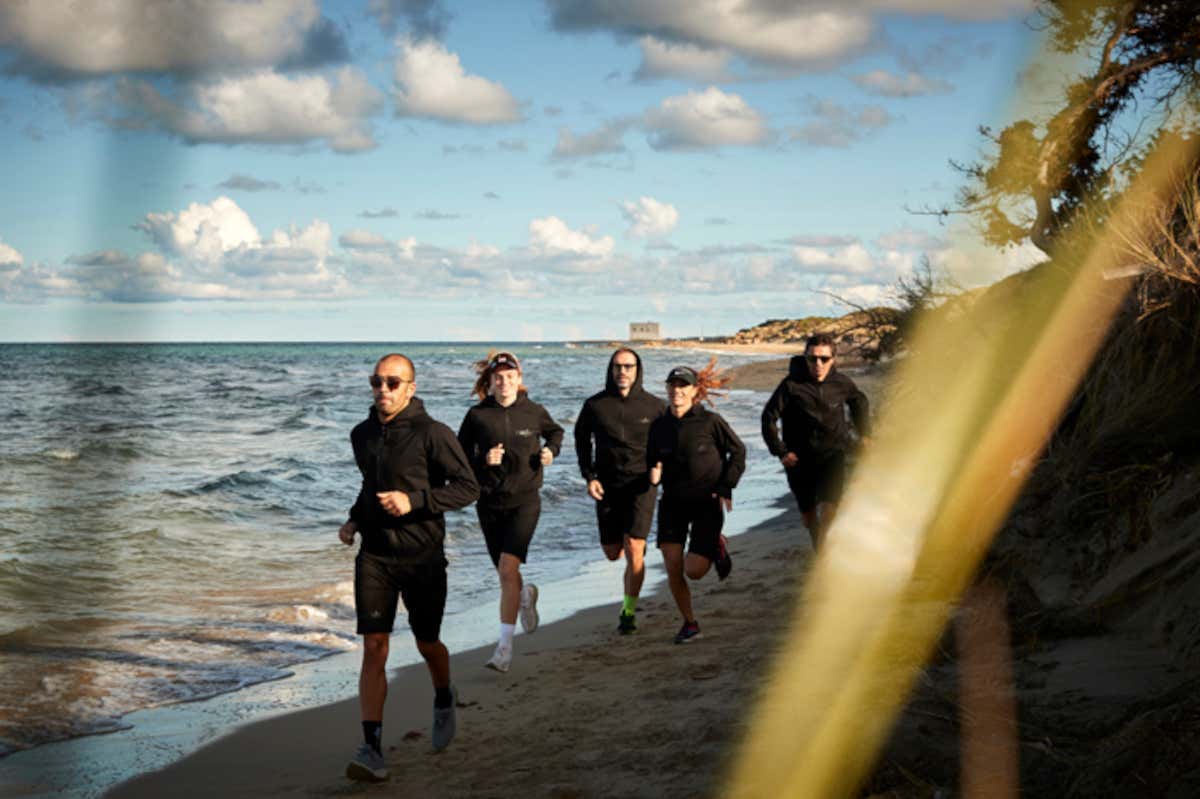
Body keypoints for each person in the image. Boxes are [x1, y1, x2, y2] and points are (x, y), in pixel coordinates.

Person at [338, 354, 480, 783]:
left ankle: (442, 695)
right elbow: (369, 484)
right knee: (374, 646)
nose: (383, 389)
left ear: (410, 388)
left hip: (422, 557)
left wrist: (413, 502)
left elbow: (468, 487)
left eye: (392, 382)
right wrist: (354, 519)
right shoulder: (361, 434)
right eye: (376, 381)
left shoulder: (433, 433)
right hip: (375, 557)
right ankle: (372, 748)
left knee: (427, 643)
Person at [457, 352, 564, 673]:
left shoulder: (534, 412)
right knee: (507, 575)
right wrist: (482, 460)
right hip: (489, 503)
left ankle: (504, 649)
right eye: (498, 378)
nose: (504, 383)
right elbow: (459, 458)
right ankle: (526, 595)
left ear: (519, 380)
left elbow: (556, 432)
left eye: (510, 377)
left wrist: (550, 452)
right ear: (489, 383)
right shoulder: (477, 416)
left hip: (525, 501)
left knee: (506, 568)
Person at [648, 361, 746, 644]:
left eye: (683, 386)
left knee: (694, 571)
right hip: (672, 504)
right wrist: (653, 470)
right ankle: (690, 623)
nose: (677, 391)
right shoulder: (659, 426)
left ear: (694, 390)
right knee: (672, 565)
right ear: (667, 389)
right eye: (673, 385)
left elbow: (738, 451)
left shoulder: (710, 422)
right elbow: (652, 458)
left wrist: (727, 485)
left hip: (707, 502)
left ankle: (717, 544)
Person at [573, 348, 666, 634]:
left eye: (628, 366)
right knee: (613, 552)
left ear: (638, 370)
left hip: (641, 485)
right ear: (610, 370)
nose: (622, 372)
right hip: (608, 486)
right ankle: (629, 550)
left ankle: (628, 612)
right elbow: (580, 439)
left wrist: (660, 465)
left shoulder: (654, 406)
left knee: (634, 547)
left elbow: (669, 438)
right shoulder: (595, 406)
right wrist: (589, 476)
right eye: (617, 367)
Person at [760, 332, 870, 549]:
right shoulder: (791, 385)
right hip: (799, 460)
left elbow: (859, 401)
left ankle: (824, 555)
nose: (818, 364)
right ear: (806, 358)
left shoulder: (842, 383)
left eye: (824, 359)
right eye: (813, 359)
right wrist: (781, 452)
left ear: (833, 360)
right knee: (809, 516)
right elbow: (768, 418)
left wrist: (865, 433)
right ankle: (817, 540)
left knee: (830, 509)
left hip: (833, 455)